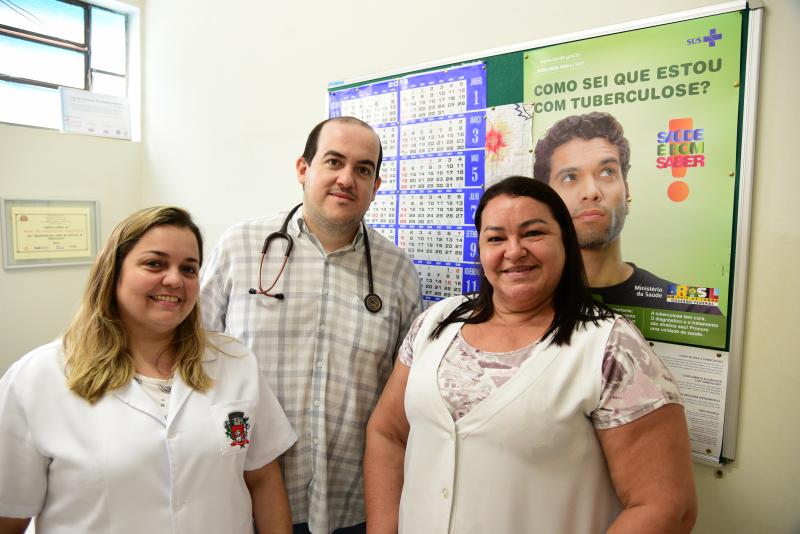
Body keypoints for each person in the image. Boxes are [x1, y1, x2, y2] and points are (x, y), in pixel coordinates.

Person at [364, 176, 697, 533]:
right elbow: (387, 434)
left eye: (533, 233)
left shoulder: (611, 347)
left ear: (565, 243)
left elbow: (666, 505)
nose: (514, 251)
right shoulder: (435, 322)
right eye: (495, 238)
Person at [0, 207, 297, 534]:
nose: (174, 279)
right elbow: (10, 516)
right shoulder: (39, 378)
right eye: (154, 263)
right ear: (114, 272)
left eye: (189, 268)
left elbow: (263, 479)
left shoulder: (235, 362)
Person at [200, 117, 422, 534]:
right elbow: (192, 358)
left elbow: (405, 395)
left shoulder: (397, 272)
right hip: (243, 495)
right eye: (334, 162)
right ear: (303, 168)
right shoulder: (241, 247)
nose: (346, 179)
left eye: (363, 169)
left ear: (376, 185)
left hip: (352, 502)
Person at [533, 112, 720, 314]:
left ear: (627, 191)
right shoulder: (525, 303)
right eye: (570, 177)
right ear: (547, 201)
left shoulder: (694, 310)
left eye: (607, 172)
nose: (591, 192)